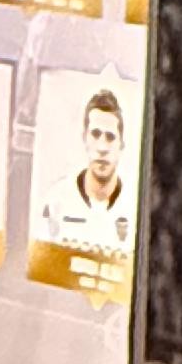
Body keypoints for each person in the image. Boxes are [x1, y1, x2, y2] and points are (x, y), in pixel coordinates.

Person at [43, 87, 133, 250]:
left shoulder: (133, 208)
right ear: (84, 138)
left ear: (121, 145)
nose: (102, 147)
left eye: (110, 137)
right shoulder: (56, 200)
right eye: (95, 134)